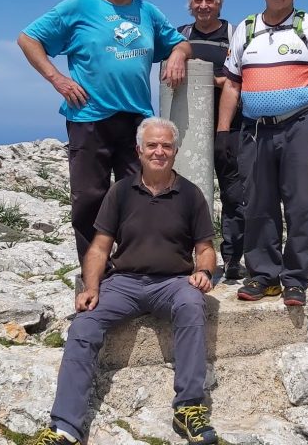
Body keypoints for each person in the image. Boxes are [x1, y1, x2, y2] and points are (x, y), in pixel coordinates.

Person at [32, 117, 220, 445]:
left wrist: (203, 272)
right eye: (152, 145)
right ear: (139, 150)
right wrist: (91, 288)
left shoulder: (191, 195)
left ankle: (189, 407)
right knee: (84, 324)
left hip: (173, 283)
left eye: (166, 146)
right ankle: (65, 428)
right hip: (125, 283)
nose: (159, 151)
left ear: (175, 151)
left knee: (193, 304)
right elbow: (100, 247)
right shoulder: (120, 191)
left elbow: (205, 250)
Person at [18, 0, 192, 265]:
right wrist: (58, 79)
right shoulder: (79, 6)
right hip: (89, 117)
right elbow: (28, 38)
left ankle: (131, 265)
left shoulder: (147, 11)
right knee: (89, 198)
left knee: (137, 196)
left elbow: (180, 44)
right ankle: (93, 270)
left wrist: (178, 56)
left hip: (136, 119)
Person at [216, 0, 308, 307]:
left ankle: (296, 279)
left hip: (300, 123)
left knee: (300, 205)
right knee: (258, 204)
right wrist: (223, 132)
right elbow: (232, 84)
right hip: (255, 129)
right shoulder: (246, 28)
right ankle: (263, 276)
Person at [177, 0, 246, 281]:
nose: (204, 5)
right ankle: (184, 255)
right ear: (190, 3)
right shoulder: (179, 36)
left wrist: (213, 80)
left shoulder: (235, 34)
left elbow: (245, 78)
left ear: (220, 3)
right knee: (183, 195)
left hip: (229, 128)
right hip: (188, 129)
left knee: (234, 194)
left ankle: (232, 258)